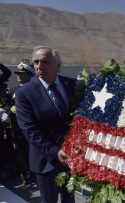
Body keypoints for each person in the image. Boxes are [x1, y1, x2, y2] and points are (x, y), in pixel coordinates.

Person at [15, 46, 76, 203]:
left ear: (58, 65)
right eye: (36, 62)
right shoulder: (25, 93)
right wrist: (54, 152)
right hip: (46, 160)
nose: (39, 66)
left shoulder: (72, 85)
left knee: (69, 199)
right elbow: (29, 129)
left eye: (45, 62)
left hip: (72, 157)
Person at [6, 62, 35, 185]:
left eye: (22, 74)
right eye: (18, 74)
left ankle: (33, 174)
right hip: (14, 128)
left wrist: (14, 109)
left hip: (28, 127)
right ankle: (25, 175)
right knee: (19, 152)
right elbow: (6, 102)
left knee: (30, 151)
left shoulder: (34, 89)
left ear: (30, 75)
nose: (19, 76)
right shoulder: (13, 90)